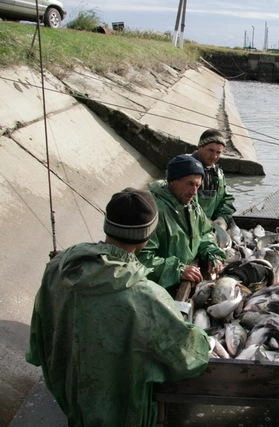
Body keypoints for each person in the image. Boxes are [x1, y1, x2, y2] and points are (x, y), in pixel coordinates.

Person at [26, 188, 210, 427]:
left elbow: (40, 323)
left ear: (107, 224)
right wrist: (206, 341)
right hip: (120, 406)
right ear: (147, 235)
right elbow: (188, 356)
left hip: (68, 386)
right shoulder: (145, 296)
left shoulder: (59, 265)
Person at [138, 154, 226, 292]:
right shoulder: (151, 210)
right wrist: (177, 270)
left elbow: (205, 232)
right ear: (173, 181)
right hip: (158, 288)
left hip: (185, 275)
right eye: (190, 184)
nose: (194, 191)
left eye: (198, 185)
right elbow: (141, 259)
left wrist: (211, 253)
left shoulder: (192, 204)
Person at [192, 128, 236, 230]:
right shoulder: (185, 170)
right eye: (210, 150)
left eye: (218, 152)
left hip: (211, 227)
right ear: (200, 147)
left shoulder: (218, 173)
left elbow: (226, 199)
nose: (214, 156)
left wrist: (222, 219)